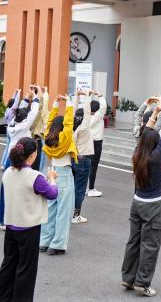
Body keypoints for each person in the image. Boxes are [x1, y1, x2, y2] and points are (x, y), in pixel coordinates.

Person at [0, 138, 58, 302]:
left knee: (8, 265)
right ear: (33, 155)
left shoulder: (8, 172)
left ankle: (1, 298)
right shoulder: (36, 177)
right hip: (29, 228)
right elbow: (52, 194)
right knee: (26, 270)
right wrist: (52, 179)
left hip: (11, 225)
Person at [121, 104, 161, 298]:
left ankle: (128, 278)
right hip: (153, 206)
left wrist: (157, 113)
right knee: (150, 245)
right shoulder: (156, 157)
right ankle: (142, 284)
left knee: (133, 241)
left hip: (137, 203)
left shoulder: (137, 153)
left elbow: (149, 134)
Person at [40, 95, 77, 255]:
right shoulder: (65, 137)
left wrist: (56, 104)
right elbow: (69, 123)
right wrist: (69, 103)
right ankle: (57, 244)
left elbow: (49, 122)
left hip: (51, 171)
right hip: (64, 173)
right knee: (64, 211)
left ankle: (44, 241)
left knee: (50, 209)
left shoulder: (48, 136)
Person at [0, 88, 40, 229]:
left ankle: (3, 220)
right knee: (22, 189)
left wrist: (27, 98)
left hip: (10, 158)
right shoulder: (24, 126)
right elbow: (33, 113)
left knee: (6, 188)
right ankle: (20, 219)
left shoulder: (12, 123)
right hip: (21, 159)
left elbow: (21, 111)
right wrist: (35, 96)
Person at [72, 90, 93, 224]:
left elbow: (73, 112)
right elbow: (87, 112)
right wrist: (86, 96)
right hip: (83, 160)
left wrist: (77, 96)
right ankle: (76, 215)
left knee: (74, 186)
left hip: (73, 158)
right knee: (80, 188)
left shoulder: (72, 126)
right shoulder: (84, 128)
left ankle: (71, 211)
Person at [87, 90, 107, 197]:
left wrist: (89, 95)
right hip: (97, 143)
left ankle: (85, 188)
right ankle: (91, 188)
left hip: (87, 142)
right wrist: (99, 95)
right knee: (93, 166)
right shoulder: (98, 116)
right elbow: (104, 107)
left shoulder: (86, 115)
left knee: (86, 165)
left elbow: (86, 106)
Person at [0, 89, 21, 171]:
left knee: (7, 147)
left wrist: (15, 92)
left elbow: (13, 100)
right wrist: (19, 93)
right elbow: (16, 102)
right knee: (10, 148)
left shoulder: (7, 109)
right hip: (12, 130)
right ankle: (5, 164)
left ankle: (2, 163)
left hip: (7, 129)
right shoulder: (12, 110)